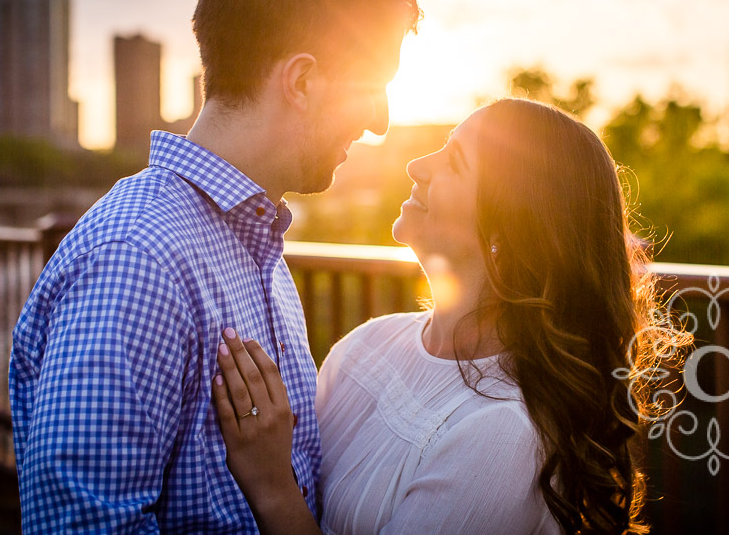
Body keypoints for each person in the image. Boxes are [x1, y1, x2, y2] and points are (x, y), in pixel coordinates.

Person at [9, 0, 420, 532]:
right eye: (374, 88)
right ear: (303, 81)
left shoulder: (251, 246)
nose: (381, 124)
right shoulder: (138, 259)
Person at [212, 98, 690, 534]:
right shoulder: (368, 344)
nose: (417, 165)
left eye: (453, 163)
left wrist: (271, 485)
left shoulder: (505, 436)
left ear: (507, 231)